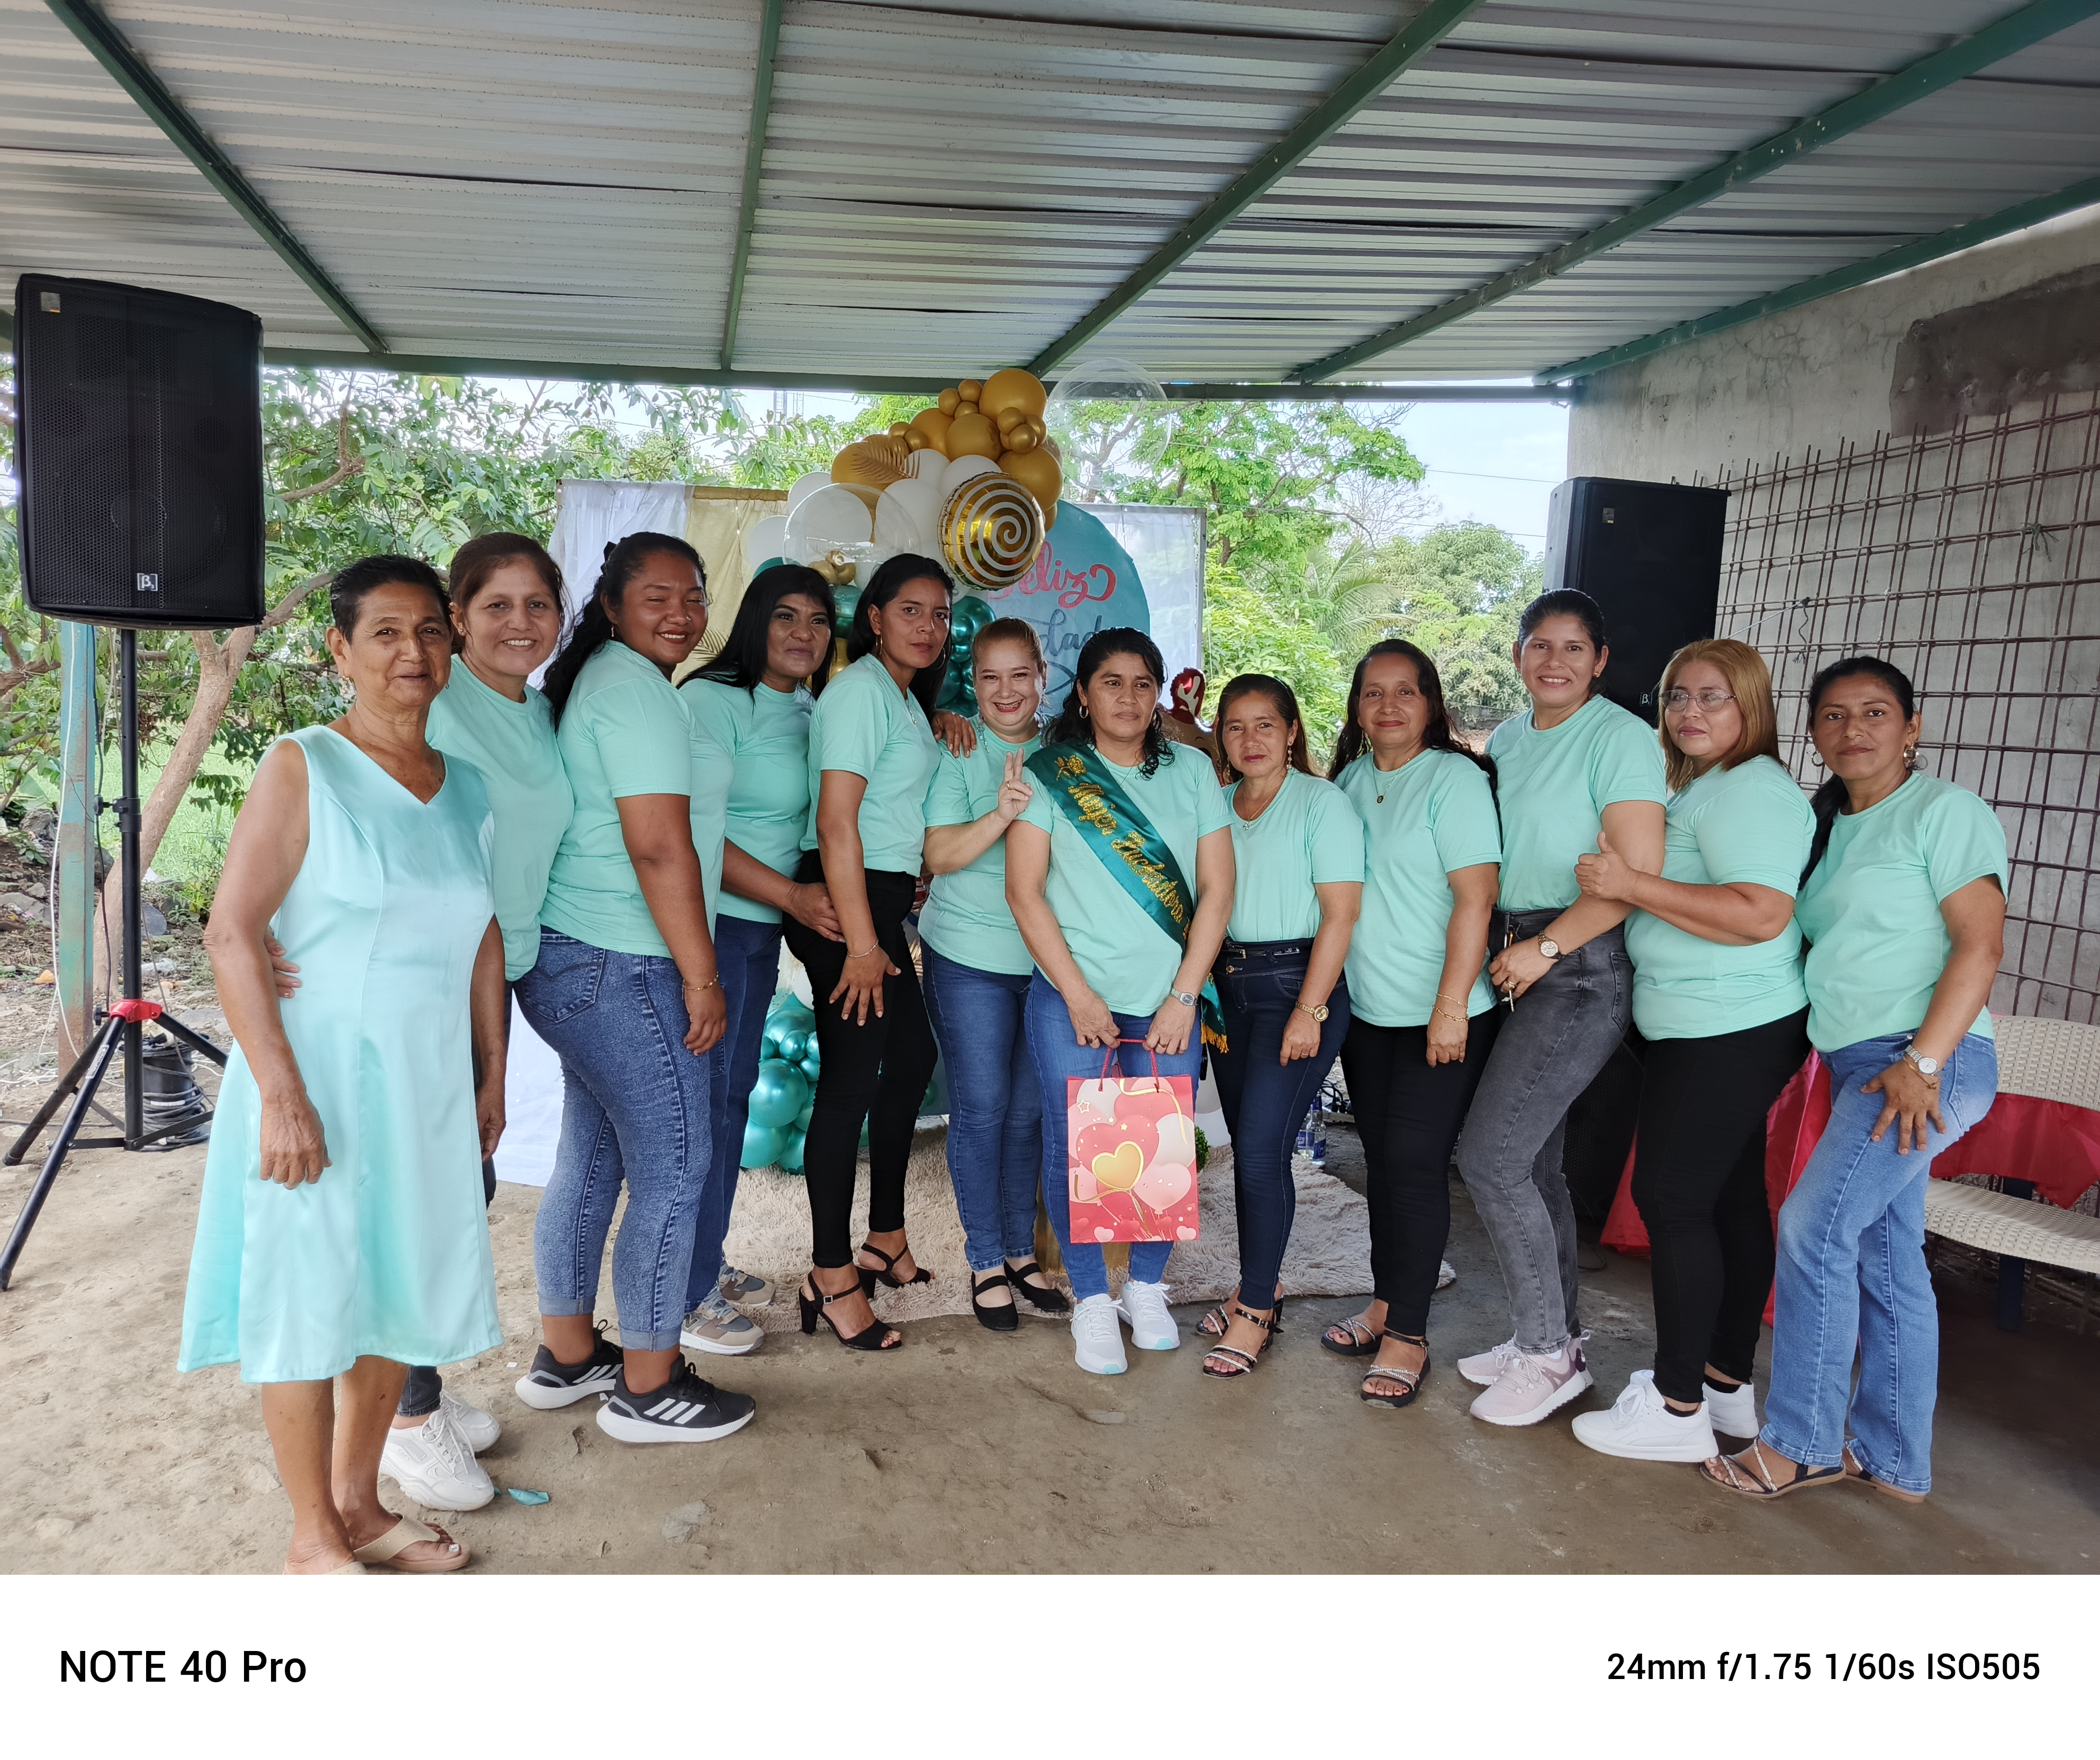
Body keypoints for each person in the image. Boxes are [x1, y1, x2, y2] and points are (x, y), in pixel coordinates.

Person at [179, 556, 505, 1573]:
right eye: (386, 634)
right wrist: (281, 1095)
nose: (413, 652)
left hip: (425, 1085)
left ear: (452, 646)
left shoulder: (468, 787)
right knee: (307, 1289)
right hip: (315, 1077)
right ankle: (312, 1532)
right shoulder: (305, 764)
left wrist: (492, 1075)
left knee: (397, 1288)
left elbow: (481, 937)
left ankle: (362, 1506)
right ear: (341, 650)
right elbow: (232, 932)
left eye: (431, 632)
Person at [1704, 656, 2004, 1502]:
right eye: (1834, 715)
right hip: (1861, 1063)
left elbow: (1980, 945)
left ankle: (1800, 1442)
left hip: (1921, 1059)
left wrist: (1923, 1063)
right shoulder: (1825, 825)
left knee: (1812, 1230)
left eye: (1875, 712)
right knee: (1884, 1251)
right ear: (1814, 733)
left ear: (1912, 728)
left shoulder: (1944, 811)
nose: (1854, 729)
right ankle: (1895, 1455)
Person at [510, 532, 756, 1445]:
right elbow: (658, 847)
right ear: (612, 605)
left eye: (693, 596)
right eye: (657, 596)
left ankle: (570, 1354)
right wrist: (702, 975)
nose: (681, 613)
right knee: (677, 1165)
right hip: (625, 964)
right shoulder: (634, 693)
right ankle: (649, 1386)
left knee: (593, 1158)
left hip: (580, 960)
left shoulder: (616, 681)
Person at [1564, 639, 1813, 1463]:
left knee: (1672, 1199)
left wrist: (1629, 885)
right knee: (1727, 1199)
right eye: (1677, 696)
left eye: (1713, 696)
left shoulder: (1753, 789)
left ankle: (1676, 1408)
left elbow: (1760, 912)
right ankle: (1724, 1388)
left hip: (1727, 1023)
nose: (1689, 712)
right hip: (1706, 1023)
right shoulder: (1710, 785)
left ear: (1752, 705)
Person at [365, 533, 572, 1512]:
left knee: (463, 1182)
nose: (520, 623)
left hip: (495, 966)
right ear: (458, 618)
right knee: (430, 1193)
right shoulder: (438, 706)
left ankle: (418, 1387)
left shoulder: (537, 708)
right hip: (427, 980)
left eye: (539, 604)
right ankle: (406, 1420)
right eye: (497, 605)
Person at [1455, 587, 1668, 1427]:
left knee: (1492, 1157)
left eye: (1574, 647)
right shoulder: (1510, 737)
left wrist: (1545, 949)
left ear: (1600, 660)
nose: (1555, 661)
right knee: (1536, 1166)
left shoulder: (1619, 737)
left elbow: (1635, 874)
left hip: (1577, 963)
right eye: (1539, 645)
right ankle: (1550, 1335)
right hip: (1517, 953)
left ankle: (1550, 1357)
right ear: (1517, 654)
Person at [1008, 628, 1234, 1377]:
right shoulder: (1051, 775)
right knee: (1076, 1145)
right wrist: (1078, 995)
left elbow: (1217, 890)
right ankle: (1091, 1299)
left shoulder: (1193, 771)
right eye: (1112, 682)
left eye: (1144, 683)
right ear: (1083, 693)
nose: (1129, 698)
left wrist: (1185, 994)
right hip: (1072, 999)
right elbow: (1024, 892)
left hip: (1170, 1001)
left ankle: (1144, 1287)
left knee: (1163, 1144)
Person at [1320, 641, 1501, 1409]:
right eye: (1373, 692)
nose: (1388, 705)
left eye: (1405, 691)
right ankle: (1386, 1302)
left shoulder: (1454, 780)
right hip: (1371, 1012)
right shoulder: (1350, 782)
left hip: (1443, 1013)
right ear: (1357, 707)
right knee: (1384, 1165)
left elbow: (1476, 898)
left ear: (1431, 702)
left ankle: (1410, 1334)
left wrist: (1451, 1005)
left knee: (1415, 1166)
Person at [781, 554, 953, 1350]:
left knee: (912, 1058)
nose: (930, 626)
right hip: (845, 908)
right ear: (875, 618)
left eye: (940, 614)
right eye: (911, 610)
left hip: (880, 903)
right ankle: (830, 1272)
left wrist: (948, 723)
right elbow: (835, 822)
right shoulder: (858, 692)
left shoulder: (904, 698)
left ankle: (885, 1237)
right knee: (849, 1085)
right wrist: (860, 942)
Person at [680, 565, 846, 1351]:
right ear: (753, 621)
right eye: (785, 616)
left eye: (818, 619)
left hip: (758, 930)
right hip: (712, 928)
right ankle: (683, 1295)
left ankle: (703, 1262)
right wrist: (792, 896)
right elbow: (693, 833)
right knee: (703, 1111)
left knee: (731, 1100)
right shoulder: (711, 701)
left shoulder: (811, 705)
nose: (803, 633)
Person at [1196, 674, 1362, 1377]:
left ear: (1292, 730)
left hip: (1297, 987)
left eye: (1266, 723)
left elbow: (1341, 915)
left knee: (1263, 1150)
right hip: (1228, 989)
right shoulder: (1216, 805)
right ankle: (1257, 1282)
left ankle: (1257, 1308)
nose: (1251, 738)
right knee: (1249, 1151)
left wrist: (1310, 1009)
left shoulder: (1321, 803)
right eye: (1235, 726)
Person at [919, 619, 1072, 1330]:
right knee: (982, 1109)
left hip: (1048, 961)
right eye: (990, 677)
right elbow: (940, 855)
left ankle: (1018, 1252)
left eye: (1020, 675)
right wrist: (1002, 814)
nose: (1006, 691)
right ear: (973, 683)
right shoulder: (957, 747)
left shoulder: (1069, 752)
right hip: (969, 958)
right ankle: (984, 1259)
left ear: (1043, 676)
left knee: (1029, 1112)